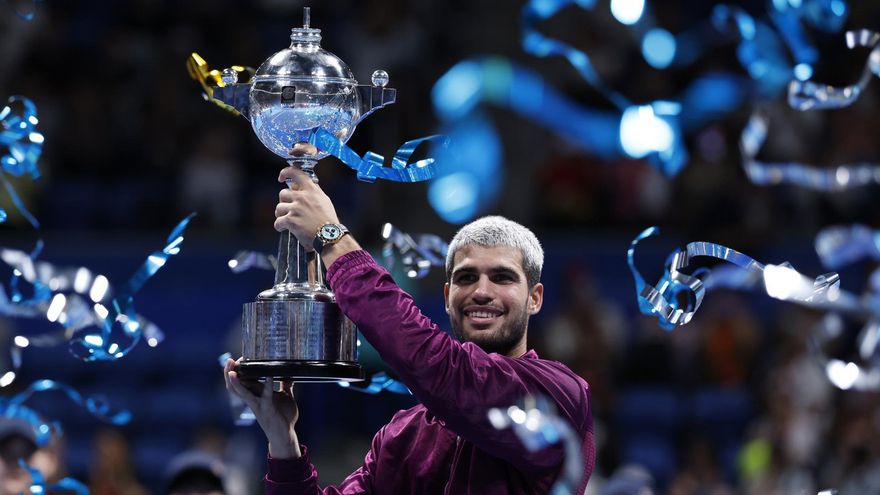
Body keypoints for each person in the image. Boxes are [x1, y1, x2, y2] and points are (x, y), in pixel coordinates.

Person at [224, 166, 596, 493]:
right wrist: (283, 441)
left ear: (534, 298)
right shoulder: (404, 436)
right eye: (467, 278)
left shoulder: (557, 398)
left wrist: (332, 238)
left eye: (502, 277)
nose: (482, 291)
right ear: (447, 297)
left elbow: (441, 367)